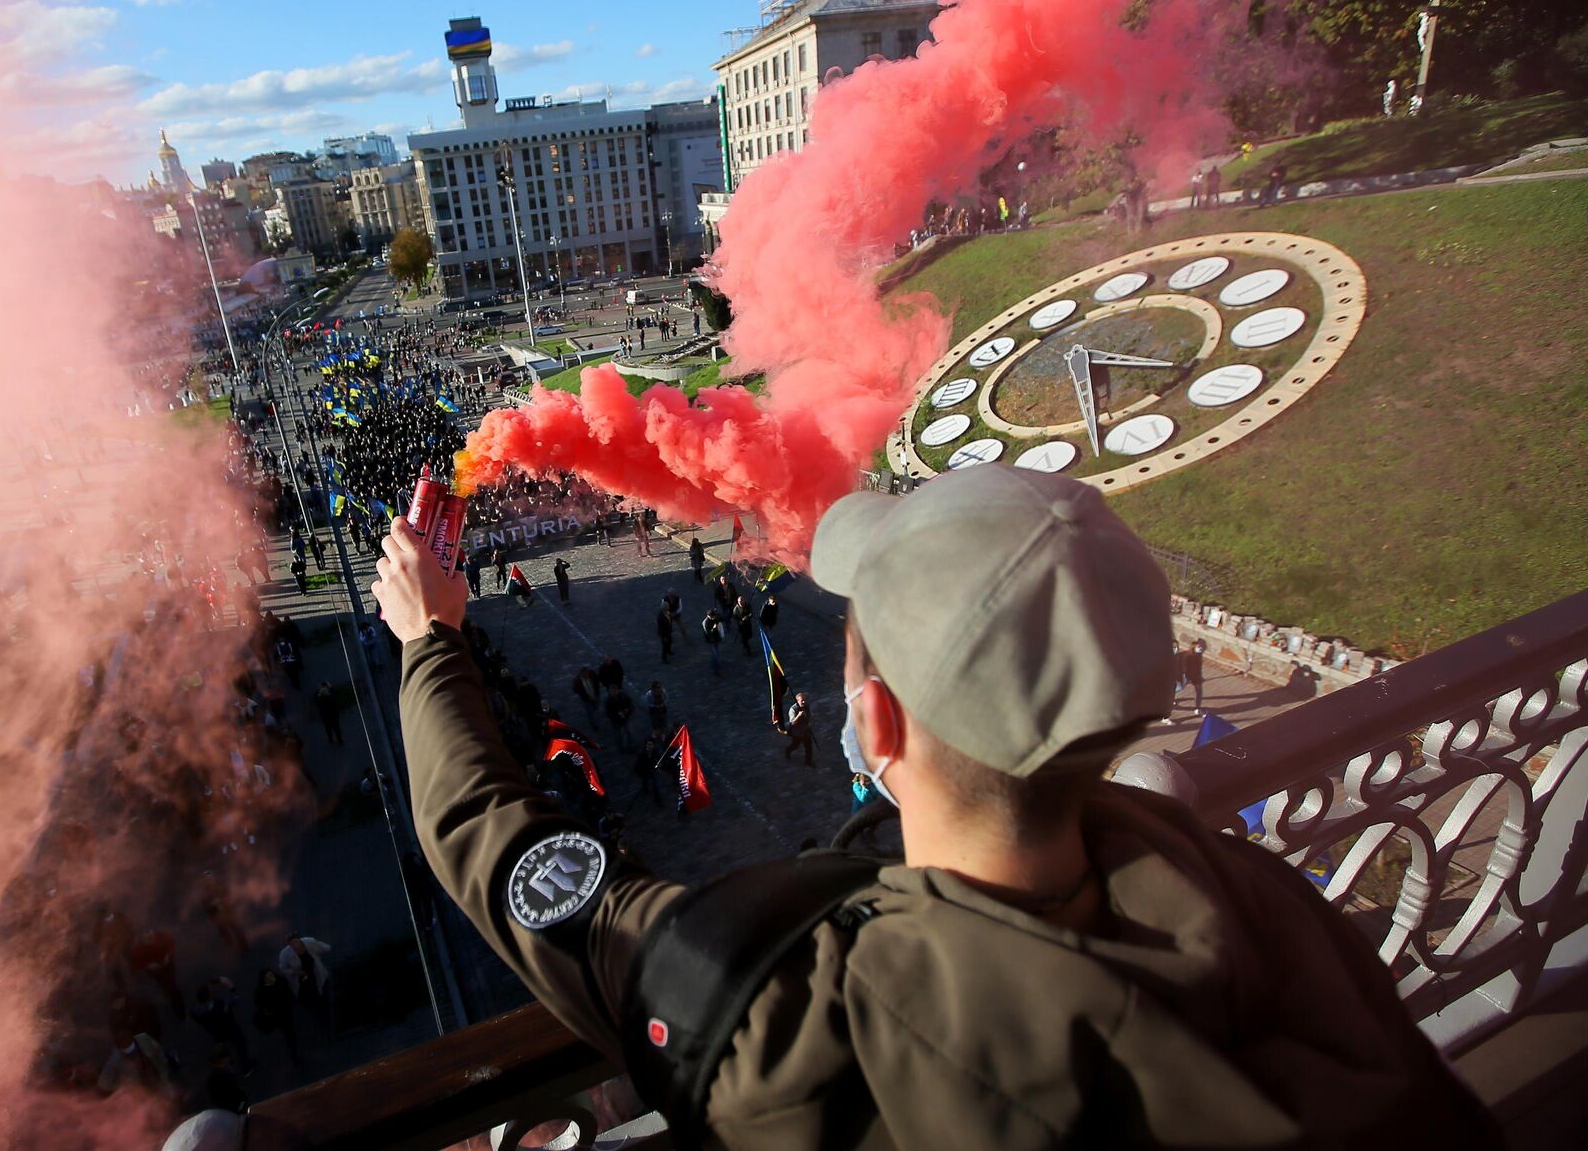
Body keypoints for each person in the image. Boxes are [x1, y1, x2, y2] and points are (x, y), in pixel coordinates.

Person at [368, 469, 1499, 1149]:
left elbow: (500, 848)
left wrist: (430, 640)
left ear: (881, 725)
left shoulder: (794, 1022)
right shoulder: (1266, 904)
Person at [192, 976, 252, 1073]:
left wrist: (215, 981)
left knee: (223, 1046)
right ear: (209, 995)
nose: (212, 990)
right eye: (210, 991)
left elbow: (197, 1019)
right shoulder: (219, 1006)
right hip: (229, 1028)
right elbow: (233, 1002)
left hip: (215, 1032)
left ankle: (229, 1064)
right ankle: (246, 1067)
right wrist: (233, 991)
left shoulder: (196, 1010)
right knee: (240, 1045)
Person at [252, 966, 303, 1072]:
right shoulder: (262, 990)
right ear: (264, 979)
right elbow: (259, 1003)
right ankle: (294, 1054)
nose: (271, 977)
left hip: (285, 1014)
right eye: (268, 976)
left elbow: (288, 993)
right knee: (289, 1033)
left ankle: (294, 1055)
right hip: (279, 1015)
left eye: (271, 975)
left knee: (290, 1034)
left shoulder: (279, 982)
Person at [782, 690, 815, 767]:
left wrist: (809, 722)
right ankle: (788, 751)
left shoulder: (806, 706)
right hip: (797, 732)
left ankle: (808, 761)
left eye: (804, 700)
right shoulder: (793, 710)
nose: (803, 702)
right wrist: (799, 716)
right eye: (802, 700)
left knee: (809, 746)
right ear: (797, 701)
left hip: (805, 730)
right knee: (795, 745)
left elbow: (809, 715)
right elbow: (792, 723)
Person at [1179, 638, 1207, 714]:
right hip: (1186, 676)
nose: (1201, 648)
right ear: (1193, 647)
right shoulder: (1187, 656)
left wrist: (1200, 676)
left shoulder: (1199, 656)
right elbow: (1184, 668)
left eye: (1201, 647)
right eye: (1199, 647)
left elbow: (1199, 667)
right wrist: (1187, 677)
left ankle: (1197, 708)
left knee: (1199, 691)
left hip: (1196, 676)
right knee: (1178, 688)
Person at [570, 665, 602, 729]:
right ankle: (593, 723)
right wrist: (582, 695)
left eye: (587, 673)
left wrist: (598, 686)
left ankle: (593, 714)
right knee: (589, 712)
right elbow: (575, 689)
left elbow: (597, 679)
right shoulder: (577, 681)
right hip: (586, 699)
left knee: (596, 707)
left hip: (595, 695)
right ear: (581, 674)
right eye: (585, 674)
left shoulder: (592, 674)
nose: (587, 675)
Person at [314, 681, 345, 746]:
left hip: (325, 717)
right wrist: (331, 687)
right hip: (334, 715)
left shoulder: (320, 699)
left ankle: (330, 739)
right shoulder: (332, 698)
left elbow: (316, 698)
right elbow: (336, 694)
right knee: (336, 728)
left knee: (328, 728)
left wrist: (319, 690)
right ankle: (340, 740)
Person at [700, 609, 723, 674]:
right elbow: (708, 633)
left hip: (717, 638)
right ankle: (716, 669)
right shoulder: (706, 622)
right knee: (715, 655)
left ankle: (714, 663)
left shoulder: (715, 618)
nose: (714, 617)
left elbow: (721, 619)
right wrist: (713, 628)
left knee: (717, 653)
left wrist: (718, 614)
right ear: (708, 616)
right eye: (712, 616)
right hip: (711, 640)